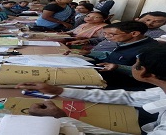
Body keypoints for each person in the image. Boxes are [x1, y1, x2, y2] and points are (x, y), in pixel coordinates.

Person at [16, 45, 166, 134]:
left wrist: (61, 119)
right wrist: (59, 91)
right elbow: (129, 98)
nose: (132, 66)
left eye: (135, 63)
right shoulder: (161, 89)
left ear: (145, 72)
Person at [68, 11, 166, 52]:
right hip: (93, 50)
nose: (150, 23)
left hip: (107, 57)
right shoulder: (127, 26)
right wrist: (88, 41)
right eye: (147, 20)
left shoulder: (160, 36)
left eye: (157, 22)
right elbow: (105, 38)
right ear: (137, 19)